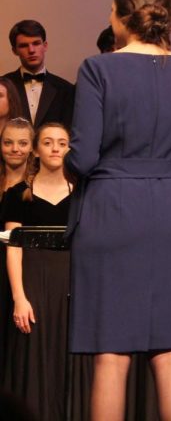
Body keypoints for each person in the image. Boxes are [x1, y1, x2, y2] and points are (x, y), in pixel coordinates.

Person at [65, 0, 171, 420]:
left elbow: (83, 158)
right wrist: (162, 175)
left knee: (112, 354)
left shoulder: (97, 68)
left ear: (119, 15)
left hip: (111, 213)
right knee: (170, 354)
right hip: (170, 215)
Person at [2, 124, 78, 420]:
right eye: (47, 142)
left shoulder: (82, 194)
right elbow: (14, 248)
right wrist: (19, 298)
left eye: (62, 143)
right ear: (36, 149)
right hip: (33, 281)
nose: (55, 148)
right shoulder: (19, 194)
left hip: (70, 280)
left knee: (66, 354)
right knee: (33, 355)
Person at [0, 118, 34, 381]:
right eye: (8, 142)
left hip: (19, 273)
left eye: (22, 143)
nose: (15, 149)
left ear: (32, 148)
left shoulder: (35, 187)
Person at [4, 19, 75, 128]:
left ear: (45, 45)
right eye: (24, 45)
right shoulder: (4, 87)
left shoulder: (66, 90)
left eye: (36, 43)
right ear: (14, 50)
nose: (31, 50)